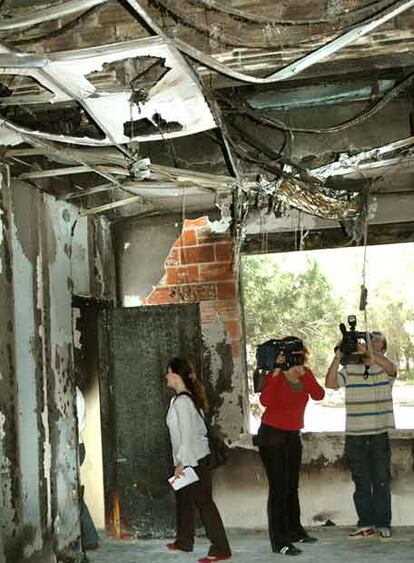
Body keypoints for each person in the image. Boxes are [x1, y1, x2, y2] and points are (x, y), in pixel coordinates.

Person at [325, 331, 397, 539]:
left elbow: (392, 368)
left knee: (381, 481)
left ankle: (383, 523)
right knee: (362, 482)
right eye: (368, 342)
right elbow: (330, 384)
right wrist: (337, 357)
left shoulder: (385, 370)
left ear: (383, 349)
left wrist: (371, 355)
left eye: (376, 344)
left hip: (378, 435)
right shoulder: (351, 369)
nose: (369, 346)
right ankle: (366, 523)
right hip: (355, 435)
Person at [257, 337, 325, 556]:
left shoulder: (305, 373)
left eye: (297, 354)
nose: (294, 358)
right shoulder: (273, 375)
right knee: (279, 490)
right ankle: (280, 542)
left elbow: (319, 394)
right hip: (271, 435)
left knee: (291, 487)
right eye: (289, 355)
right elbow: (266, 401)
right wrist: (276, 371)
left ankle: (295, 531)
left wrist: (303, 374)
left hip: (292, 435)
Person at [165, 357, 231, 563]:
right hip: (191, 457)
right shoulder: (183, 399)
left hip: (193, 460)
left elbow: (186, 435)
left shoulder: (183, 402)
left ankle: (221, 549)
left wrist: (181, 463)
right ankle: (184, 541)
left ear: (176, 375)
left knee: (204, 504)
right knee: (184, 499)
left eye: (168, 372)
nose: (166, 376)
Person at [76, 386, 100, 550]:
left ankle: (89, 536)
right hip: (78, 445)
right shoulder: (76, 391)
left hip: (74, 446)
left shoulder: (71, 392)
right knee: (73, 493)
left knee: (72, 493)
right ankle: (89, 537)